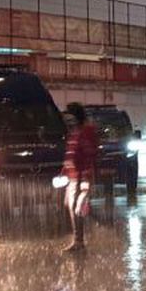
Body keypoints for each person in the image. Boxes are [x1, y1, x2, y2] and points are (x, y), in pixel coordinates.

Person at [61, 102, 99, 253]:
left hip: (82, 177)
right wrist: (64, 171)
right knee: (71, 206)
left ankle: (79, 241)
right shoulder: (73, 133)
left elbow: (90, 153)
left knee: (77, 207)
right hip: (72, 177)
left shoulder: (85, 133)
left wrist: (85, 175)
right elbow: (70, 155)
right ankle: (78, 240)